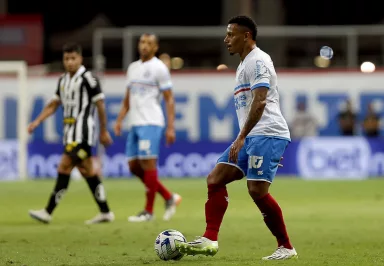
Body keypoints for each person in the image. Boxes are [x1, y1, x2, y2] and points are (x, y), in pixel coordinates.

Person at [176, 16, 297, 260]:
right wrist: (244, 138)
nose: (226, 39)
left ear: (246, 36)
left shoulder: (259, 60)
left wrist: (242, 137)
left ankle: (286, 247)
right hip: (251, 136)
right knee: (215, 178)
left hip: (267, 133)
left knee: (257, 191)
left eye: (231, 34)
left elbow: (260, 101)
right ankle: (209, 239)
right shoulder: (243, 65)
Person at [28, 43, 114, 224]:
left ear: (80, 58)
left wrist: (104, 131)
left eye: (73, 58)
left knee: (64, 166)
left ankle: (47, 211)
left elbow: (100, 106)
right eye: (66, 59)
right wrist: (37, 121)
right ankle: (105, 211)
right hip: (69, 134)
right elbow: (53, 104)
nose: (70, 62)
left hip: (83, 135)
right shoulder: (62, 80)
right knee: (88, 171)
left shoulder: (89, 79)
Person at [114, 33, 181, 222]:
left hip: (151, 122)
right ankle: (169, 197)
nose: (145, 46)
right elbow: (128, 98)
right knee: (133, 166)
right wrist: (120, 119)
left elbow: (169, 99)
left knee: (148, 164)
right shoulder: (133, 68)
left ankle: (148, 211)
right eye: (142, 42)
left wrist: (171, 127)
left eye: (149, 43)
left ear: (155, 47)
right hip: (134, 123)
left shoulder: (159, 68)